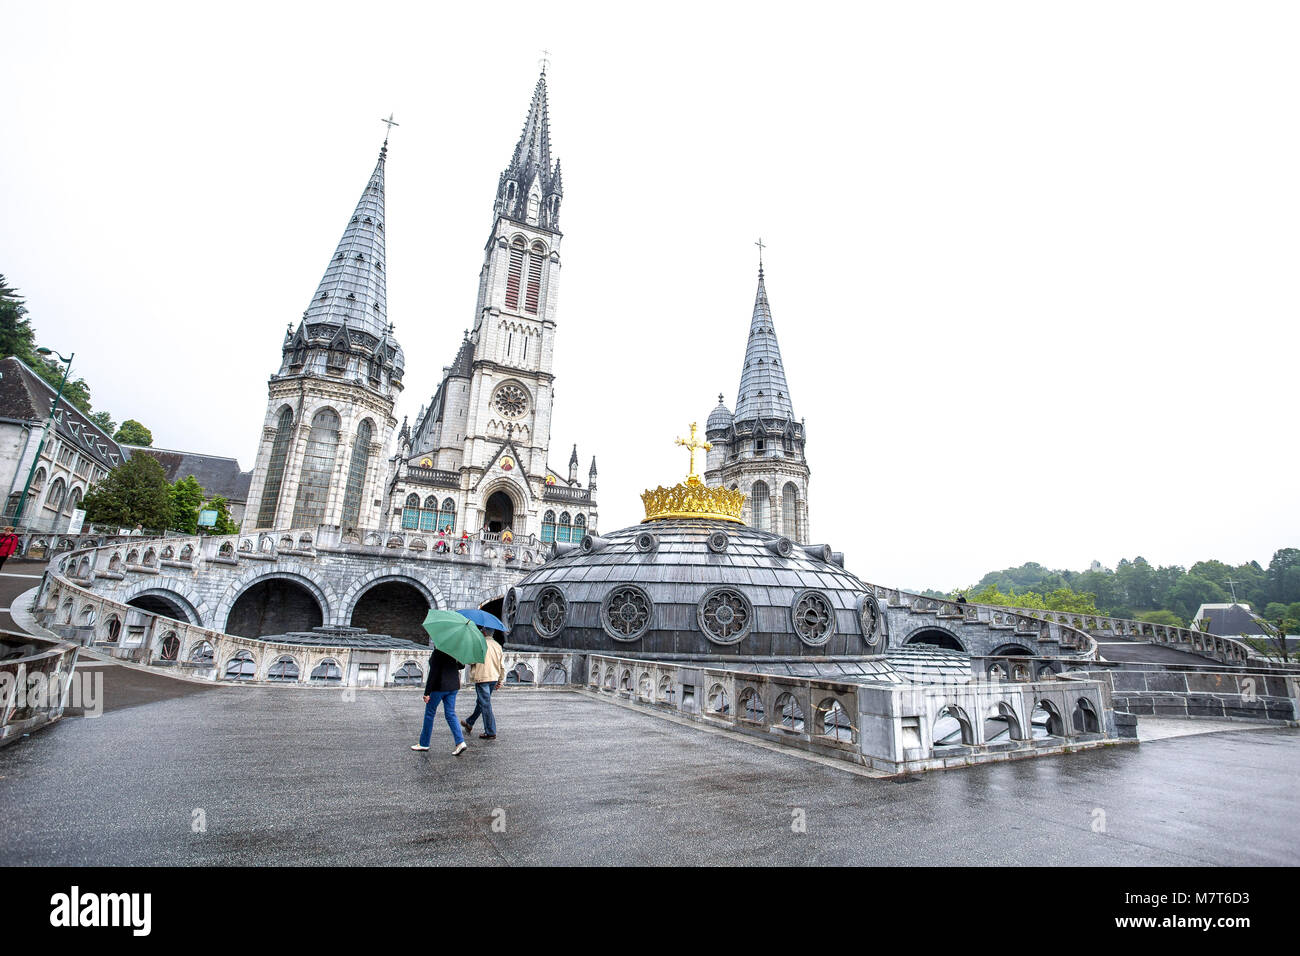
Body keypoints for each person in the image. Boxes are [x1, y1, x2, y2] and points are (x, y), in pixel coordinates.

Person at [412, 646, 467, 756]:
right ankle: (460, 742)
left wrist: (427, 692)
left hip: (439, 687)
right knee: (451, 714)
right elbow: (462, 665)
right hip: (453, 686)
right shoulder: (455, 649)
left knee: (430, 714)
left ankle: (424, 743)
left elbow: (433, 673)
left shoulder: (438, 652)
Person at [461, 632, 504, 740]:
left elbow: (471, 660)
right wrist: (500, 680)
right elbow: (502, 665)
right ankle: (469, 722)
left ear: (484, 632)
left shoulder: (479, 643)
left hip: (482, 677)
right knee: (481, 702)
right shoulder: (497, 645)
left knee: (485, 704)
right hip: (493, 677)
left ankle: (490, 731)